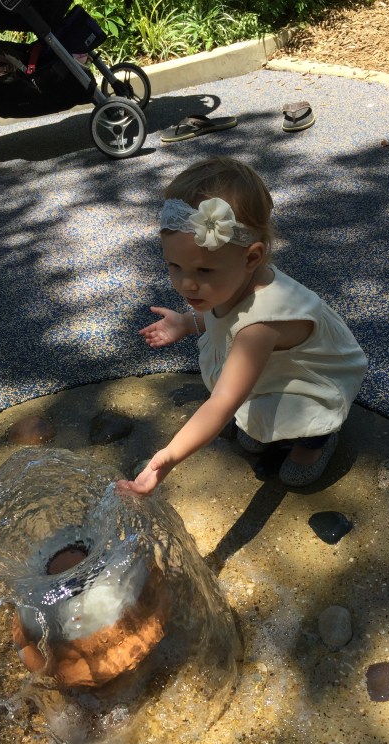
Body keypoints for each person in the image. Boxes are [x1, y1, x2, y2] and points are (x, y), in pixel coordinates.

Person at [116, 156, 368, 496]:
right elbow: (222, 317)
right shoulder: (229, 281)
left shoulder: (259, 327)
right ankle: (270, 423)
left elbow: (222, 402)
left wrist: (170, 456)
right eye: (174, 266)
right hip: (271, 371)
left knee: (300, 416)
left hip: (310, 381)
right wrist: (188, 323)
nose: (186, 284)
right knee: (253, 423)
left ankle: (315, 443)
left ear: (251, 257)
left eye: (203, 270)